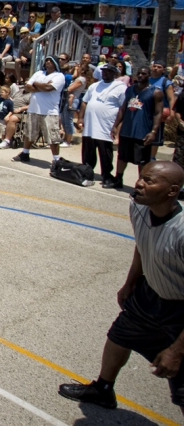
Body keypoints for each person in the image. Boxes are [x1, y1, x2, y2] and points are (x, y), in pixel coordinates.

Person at [58, 161, 184, 416]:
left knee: (180, 383)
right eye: (141, 177)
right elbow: (142, 243)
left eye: (150, 181)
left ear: (172, 191)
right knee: (119, 336)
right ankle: (103, 389)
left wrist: (177, 349)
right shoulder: (138, 207)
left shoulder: (181, 231)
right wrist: (130, 283)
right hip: (150, 292)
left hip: (179, 308)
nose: (139, 183)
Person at [111, 67, 163, 188]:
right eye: (138, 73)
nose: (140, 75)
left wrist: (154, 131)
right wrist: (115, 125)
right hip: (127, 130)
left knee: (143, 161)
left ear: (149, 75)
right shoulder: (130, 90)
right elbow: (123, 108)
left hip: (143, 131)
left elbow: (158, 113)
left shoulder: (156, 92)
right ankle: (118, 179)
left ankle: (141, 185)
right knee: (122, 156)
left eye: (143, 73)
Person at [81, 64, 128, 188]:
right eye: (103, 71)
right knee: (88, 152)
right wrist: (81, 118)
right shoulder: (94, 86)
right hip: (90, 125)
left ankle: (107, 175)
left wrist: (117, 127)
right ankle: (87, 173)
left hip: (106, 126)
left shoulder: (121, 88)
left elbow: (123, 108)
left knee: (105, 153)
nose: (105, 73)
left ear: (114, 74)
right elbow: (85, 102)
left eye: (108, 71)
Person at [13, 56, 65, 168]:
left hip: (49, 111)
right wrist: (39, 86)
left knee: (53, 137)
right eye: (46, 60)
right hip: (34, 109)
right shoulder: (39, 73)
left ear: (55, 63)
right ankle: (25, 153)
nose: (47, 62)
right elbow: (27, 87)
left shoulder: (59, 76)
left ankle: (56, 159)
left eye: (50, 61)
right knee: (30, 133)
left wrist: (35, 84)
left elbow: (48, 88)